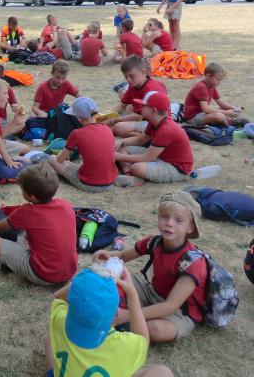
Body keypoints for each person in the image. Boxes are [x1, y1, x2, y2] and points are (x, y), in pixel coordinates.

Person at [94, 191, 206, 343]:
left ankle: (123, 319)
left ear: (190, 227)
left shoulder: (193, 262)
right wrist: (108, 255)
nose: (169, 223)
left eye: (178, 220)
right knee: (112, 276)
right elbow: (123, 256)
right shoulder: (154, 242)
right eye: (164, 216)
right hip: (151, 292)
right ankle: (125, 317)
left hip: (180, 312)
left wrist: (128, 315)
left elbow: (170, 306)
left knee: (154, 330)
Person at [45, 267, 174, 377]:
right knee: (163, 372)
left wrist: (86, 281)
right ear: (116, 314)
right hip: (112, 364)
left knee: (49, 340)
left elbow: (58, 297)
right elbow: (143, 340)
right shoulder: (122, 346)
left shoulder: (59, 318)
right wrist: (132, 293)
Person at [115, 92, 194, 187]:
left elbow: (146, 158)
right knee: (122, 148)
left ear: (153, 110)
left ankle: (136, 175)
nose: (140, 107)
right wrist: (121, 141)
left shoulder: (165, 130)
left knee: (137, 167)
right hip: (160, 156)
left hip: (176, 168)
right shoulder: (154, 122)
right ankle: (130, 174)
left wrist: (117, 157)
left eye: (144, 105)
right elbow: (140, 140)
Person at [48, 97, 117, 193]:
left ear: (79, 117)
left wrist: (61, 155)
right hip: (110, 182)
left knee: (52, 158)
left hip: (89, 184)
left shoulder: (77, 133)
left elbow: (60, 159)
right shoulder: (107, 129)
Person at [108, 55, 167, 138]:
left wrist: (115, 120)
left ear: (143, 73)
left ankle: (147, 138)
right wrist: (107, 115)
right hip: (144, 118)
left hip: (155, 123)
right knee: (123, 113)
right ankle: (144, 136)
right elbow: (122, 105)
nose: (128, 80)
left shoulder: (150, 88)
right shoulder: (133, 85)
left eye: (131, 76)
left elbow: (139, 116)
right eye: (126, 77)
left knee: (118, 127)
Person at [183, 62, 244, 127]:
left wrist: (234, 109)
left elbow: (222, 104)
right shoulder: (201, 87)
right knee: (219, 115)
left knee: (223, 111)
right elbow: (206, 109)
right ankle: (230, 126)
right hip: (193, 118)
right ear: (208, 76)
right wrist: (227, 113)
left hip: (202, 113)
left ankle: (229, 121)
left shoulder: (212, 86)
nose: (220, 82)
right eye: (218, 79)